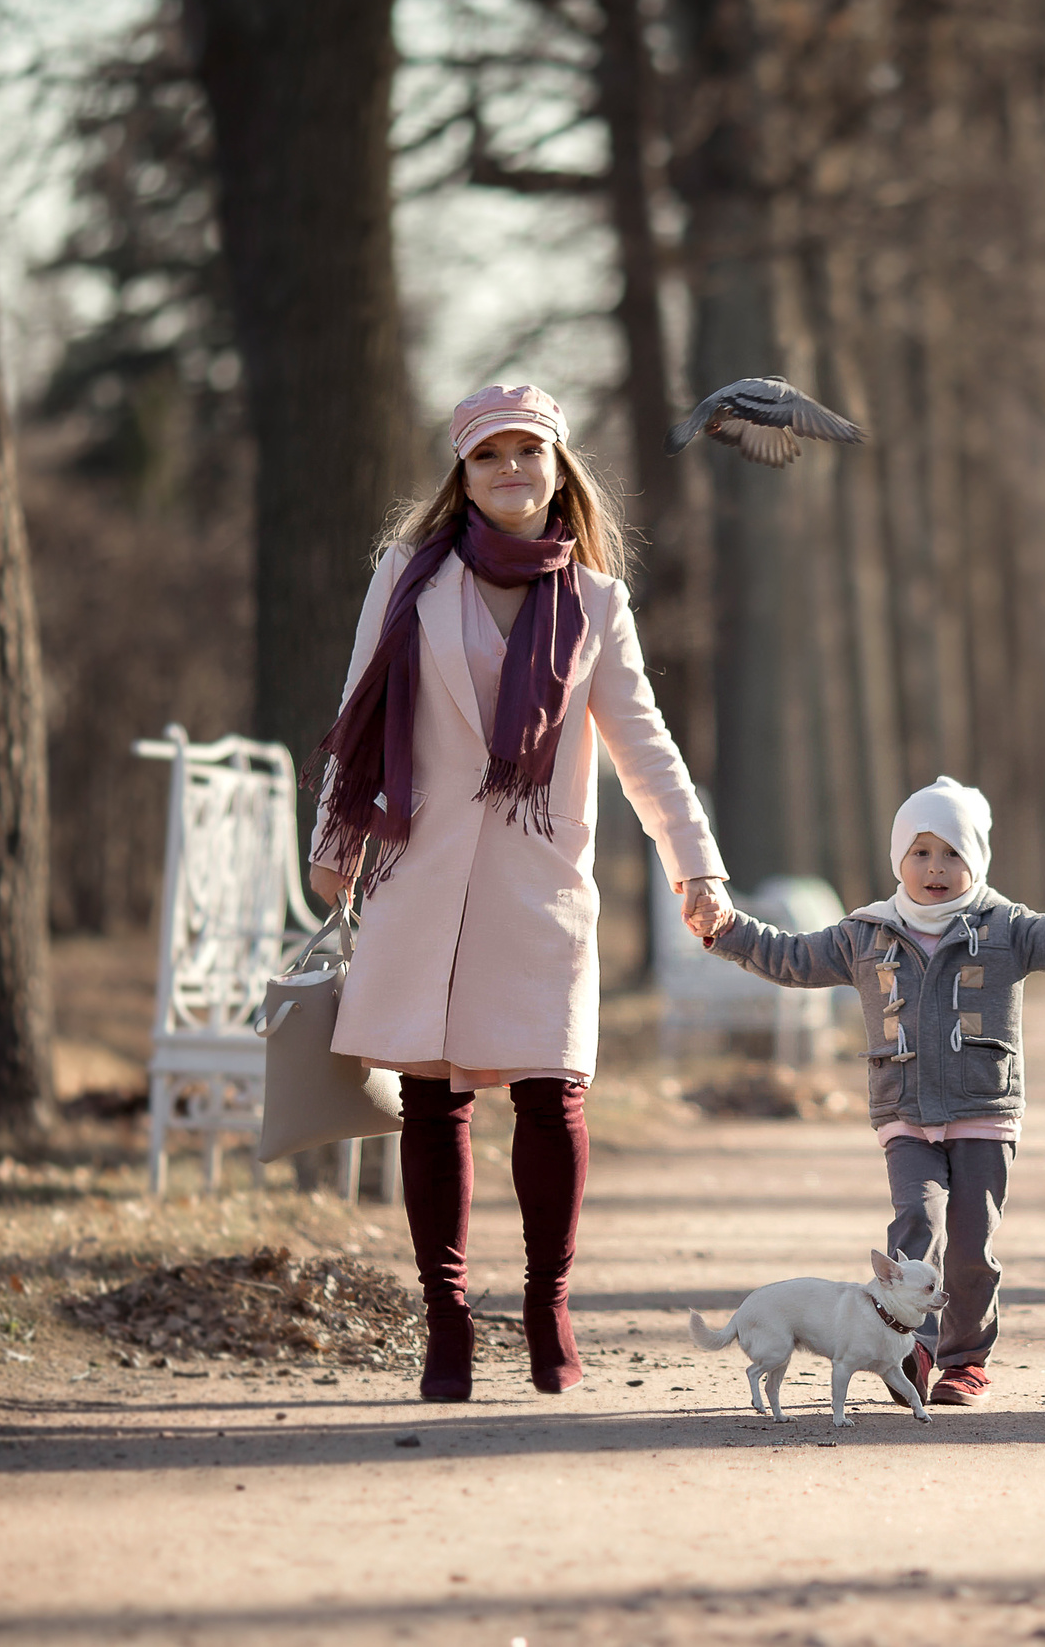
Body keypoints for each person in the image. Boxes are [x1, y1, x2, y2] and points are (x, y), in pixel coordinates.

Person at [307, 382, 734, 1402]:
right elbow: (357, 705)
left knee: (552, 1095)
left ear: (556, 467)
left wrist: (696, 865)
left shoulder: (595, 603)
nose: (510, 471)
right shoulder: (406, 580)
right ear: (462, 472)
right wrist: (334, 839)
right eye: (488, 455)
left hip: (540, 883)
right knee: (431, 1100)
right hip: (421, 871)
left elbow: (647, 750)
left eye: (527, 453)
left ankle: (547, 1304)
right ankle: (444, 1318)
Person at [701, 777, 1045, 1408]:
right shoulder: (864, 934)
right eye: (921, 852)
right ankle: (911, 1347)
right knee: (915, 1224)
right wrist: (727, 930)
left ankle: (965, 1360)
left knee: (971, 1244)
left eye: (952, 853)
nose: (936, 868)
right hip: (904, 1113)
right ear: (899, 860)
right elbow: (789, 956)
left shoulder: (1006, 927)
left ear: (975, 861)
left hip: (984, 1114)